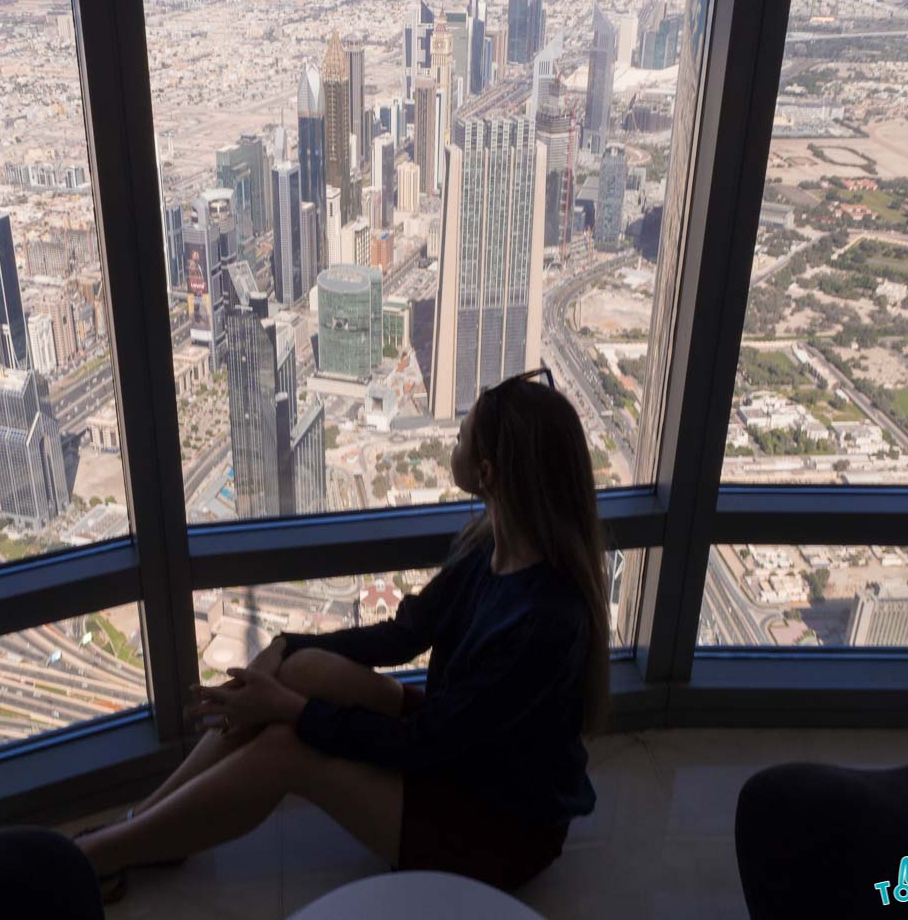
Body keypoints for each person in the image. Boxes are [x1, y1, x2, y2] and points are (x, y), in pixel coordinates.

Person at [75, 368, 611, 903]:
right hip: (461, 751)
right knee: (301, 671)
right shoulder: (489, 547)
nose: (452, 443)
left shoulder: (545, 621)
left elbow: (425, 746)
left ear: (488, 473)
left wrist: (287, 709)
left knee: (287, 748)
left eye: (460, 437)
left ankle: (103, 853)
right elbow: (401, 637)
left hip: (495, 828)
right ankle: (145, 825)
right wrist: (284, 647)